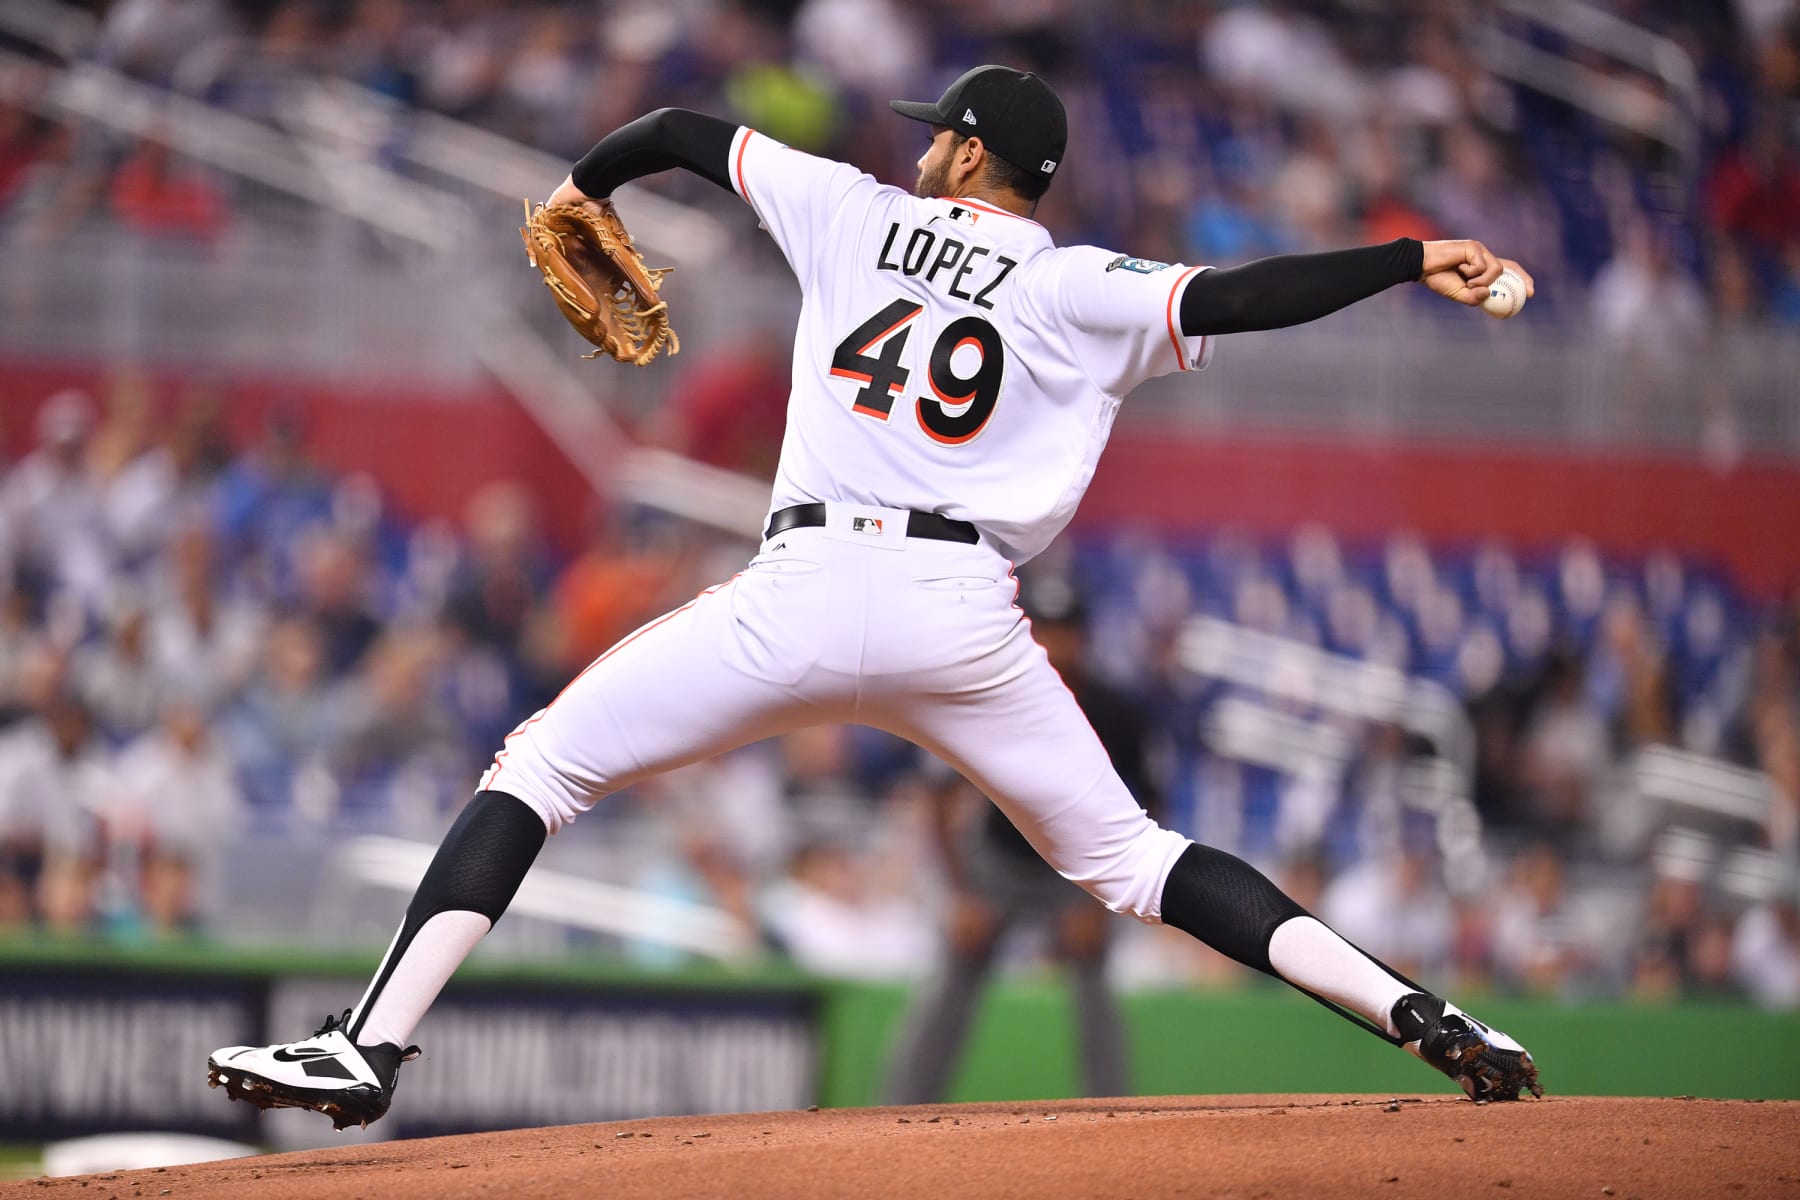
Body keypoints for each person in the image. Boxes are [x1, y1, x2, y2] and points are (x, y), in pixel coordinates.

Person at [208, 65, 1541, 1131]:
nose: (919, 149)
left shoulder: (848, 209)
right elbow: (1247, 296)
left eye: (936, 136)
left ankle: (366, 1045)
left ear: (969, 151)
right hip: (960, 610)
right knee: (1136, 861)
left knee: (543, 767)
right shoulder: (1080, 282)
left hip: (802, 585)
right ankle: (1424, 1017)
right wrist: (1413, 254)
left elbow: (678, 125)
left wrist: (583, 180)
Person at [884, 580, 1150, 1104]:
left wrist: (1108, 902)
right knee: (951, 980)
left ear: (1086, 638)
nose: (1056, 643)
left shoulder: (1117, 712)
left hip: (1079, 870)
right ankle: (901, 1112)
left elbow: (1149, 804)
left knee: (1095, 987)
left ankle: (1113, 1114)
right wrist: (959, 891)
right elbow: (938, 797)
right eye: (1045, 630)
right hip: (998, 862)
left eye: (1066, 631)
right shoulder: (992, 697)